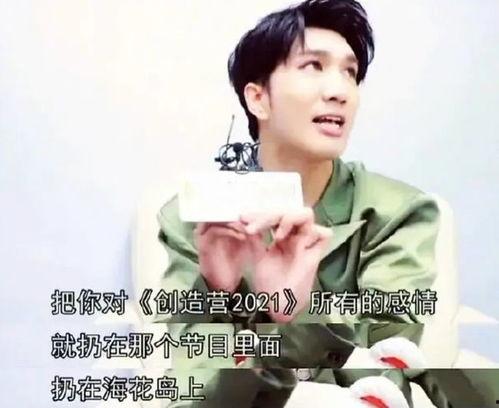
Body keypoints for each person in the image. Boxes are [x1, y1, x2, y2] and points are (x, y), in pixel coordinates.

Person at [155, 0, 455, 406]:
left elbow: (386, 369)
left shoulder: (398, 213)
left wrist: (296, 311)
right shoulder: (196, 220)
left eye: (350, 73)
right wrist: (217, 293)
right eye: (313, 66)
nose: (339, 91)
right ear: (258, 99)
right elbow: (196, 389)